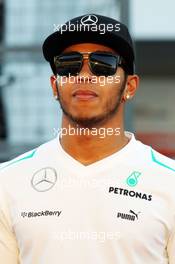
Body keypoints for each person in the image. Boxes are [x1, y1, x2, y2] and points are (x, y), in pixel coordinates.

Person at [0, 13, 175, 264]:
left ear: (130, 87)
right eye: (68, 64)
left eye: (103, 63)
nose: (84, 75)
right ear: (54, 85)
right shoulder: (7, 182)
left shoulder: (169, 183)